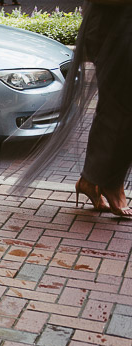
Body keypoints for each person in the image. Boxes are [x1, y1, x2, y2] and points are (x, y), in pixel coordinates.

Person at [9, 0, 131, 217]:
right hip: (115, 32)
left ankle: (93, 180)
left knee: (117, 108)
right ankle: (106, 183)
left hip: (122, 29)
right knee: (119, 110)